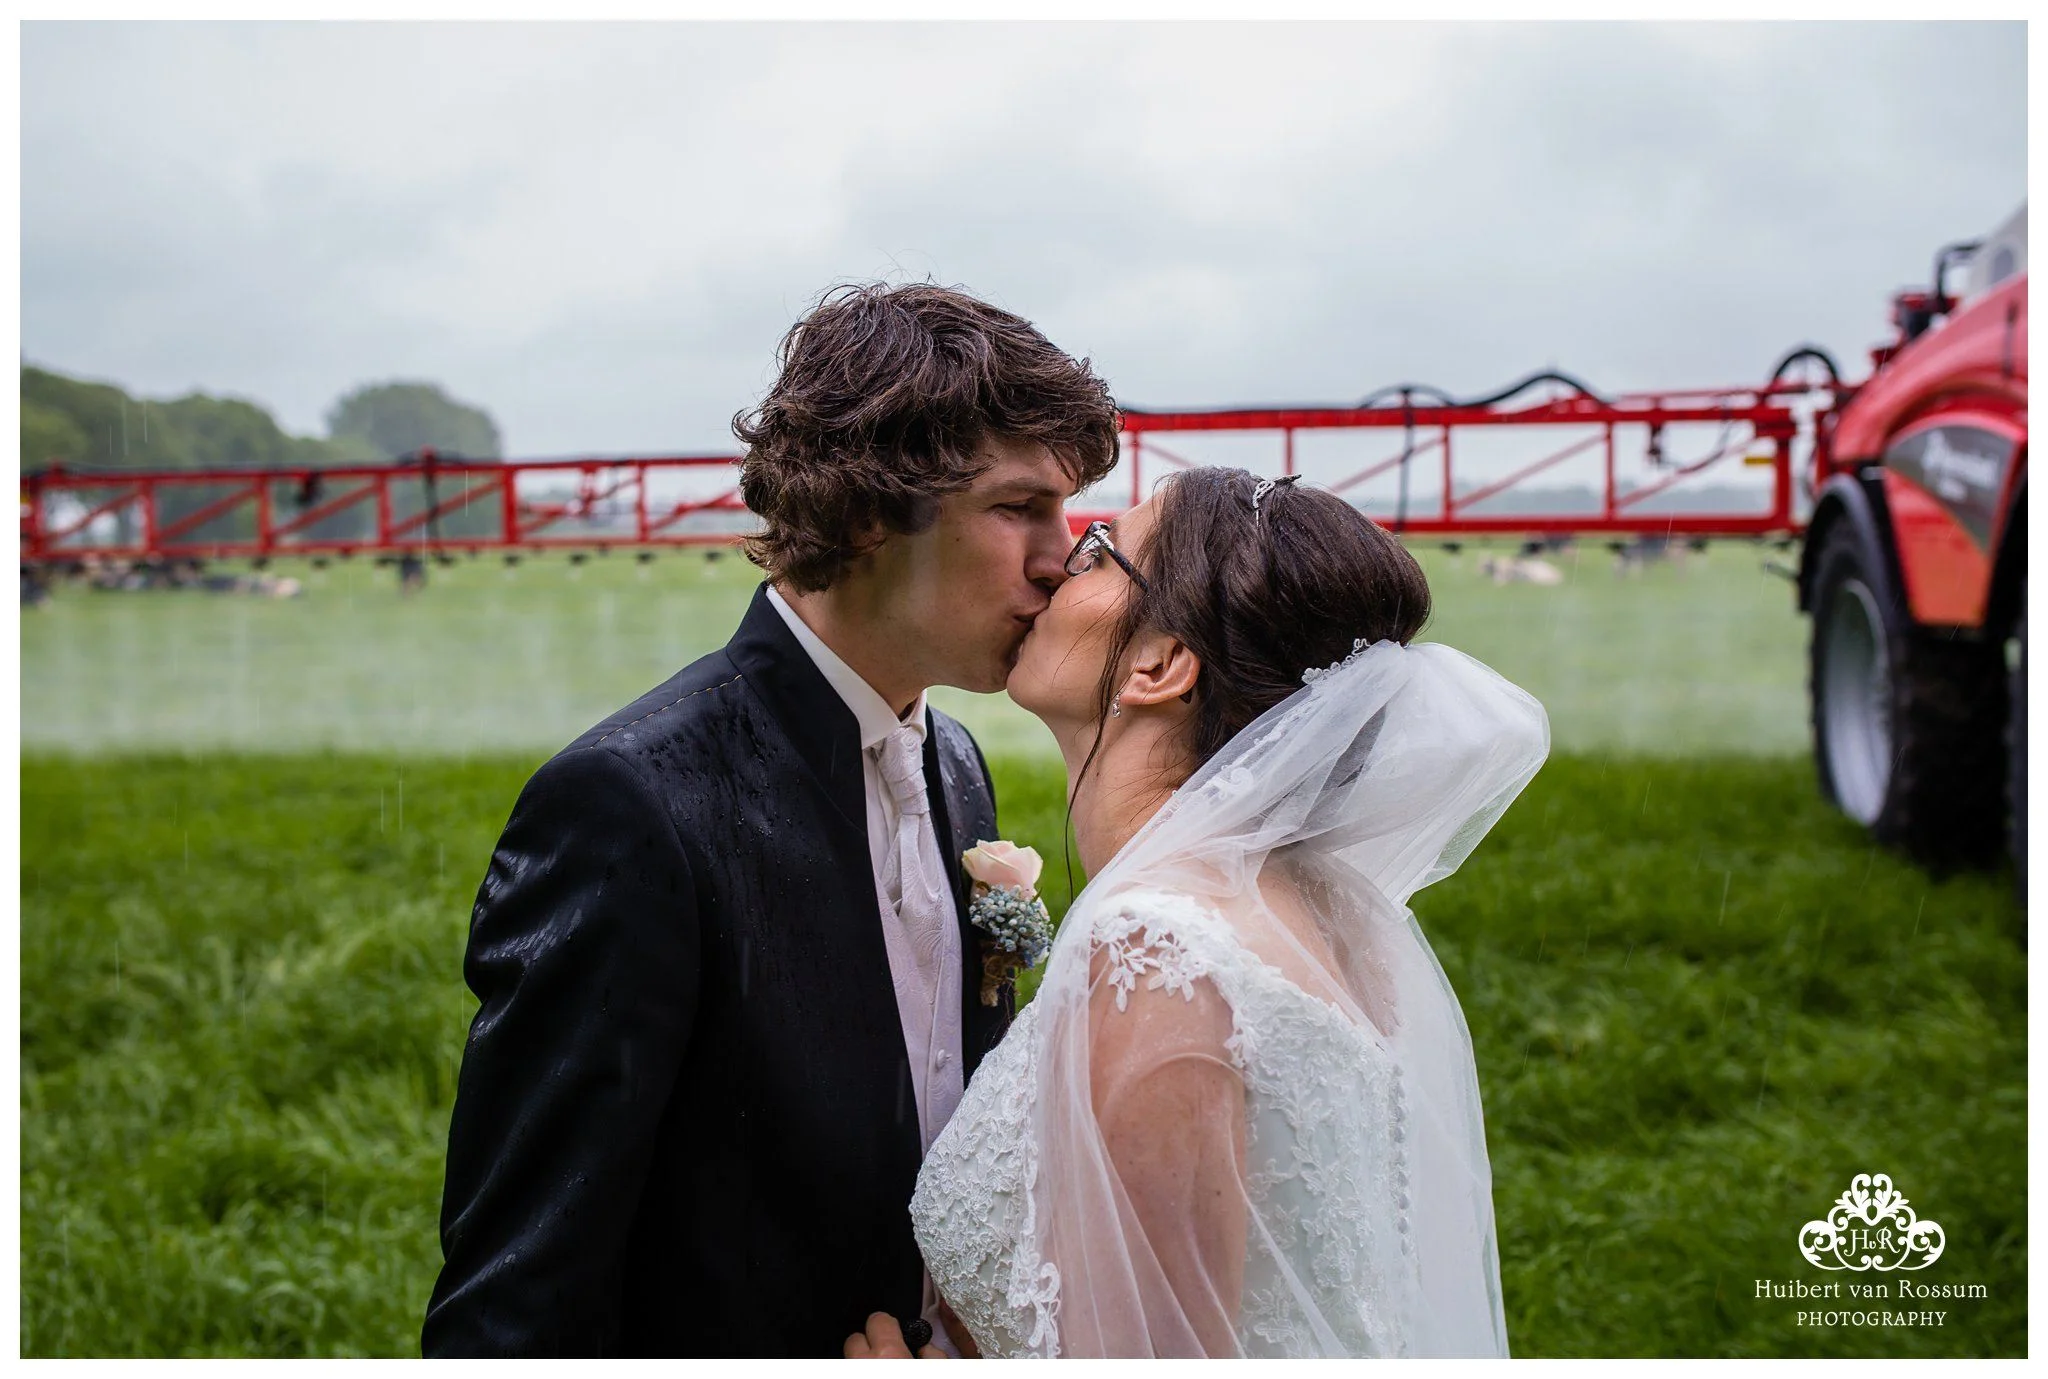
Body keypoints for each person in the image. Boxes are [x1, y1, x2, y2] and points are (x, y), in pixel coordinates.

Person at [422, 283, 1121, 1357]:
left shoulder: (958, 763)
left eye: (1065, 511)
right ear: (863, 511)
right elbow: (520, 1280)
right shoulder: (630, 805)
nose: (1059, 555)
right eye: (1016, 506)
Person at [897, 466, 1550, 1357]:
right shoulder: (1335, 909)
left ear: (1160, 665)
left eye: (1098, 553)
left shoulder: (1161, 951)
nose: (1056, 565)